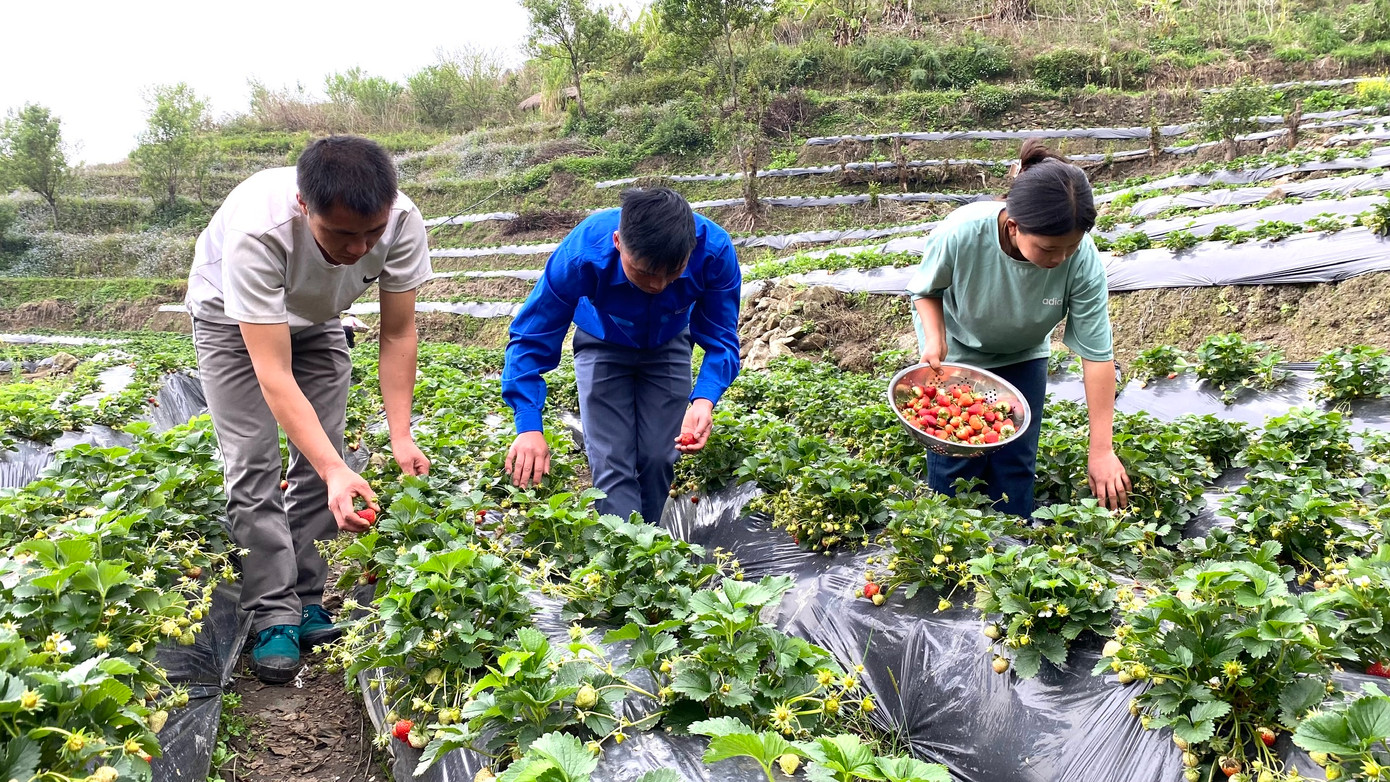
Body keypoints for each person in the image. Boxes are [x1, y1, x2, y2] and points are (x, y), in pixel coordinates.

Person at [185, 135, 433, 684]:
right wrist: (334, 470)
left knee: (325, 451)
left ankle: (307, 596)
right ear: (304, 206)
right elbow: (271, 373)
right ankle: (273, 612)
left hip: (318, 319)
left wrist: (400, 434)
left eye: (371, 233)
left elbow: (396, 331)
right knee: (253, 462)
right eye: (342, 234)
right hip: (232, 321)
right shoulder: (259, 231)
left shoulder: (403, 222)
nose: (357, 248)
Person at [907, 139, 1131, 518]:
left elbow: (1097, 356)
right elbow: (926, 291)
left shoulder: (1083, 261)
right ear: (1013, 227)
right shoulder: (962, 233)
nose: (1060, 259)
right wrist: (934, 338)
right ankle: (949, 548)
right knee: (956, 459)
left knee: (1015, 459)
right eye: (1047, 249)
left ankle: (1013, 551)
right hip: (958, 351)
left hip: (1023, 353)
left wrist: (1102, 450)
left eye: (1070, 247)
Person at [501, 187, 741, 525]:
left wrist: (704, 400)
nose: (658, 285)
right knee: (612, 461)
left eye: (672, 275)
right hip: (603, 343)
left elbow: (722, 337)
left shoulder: (714, 251)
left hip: (669, 341)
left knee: (659, 456)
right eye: (645, 273)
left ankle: (649, 545)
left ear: (691, 250)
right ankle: (624, 554)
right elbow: (531, 336)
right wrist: (528, 425)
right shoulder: (582, 253)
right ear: (617, 242)